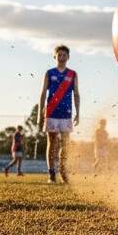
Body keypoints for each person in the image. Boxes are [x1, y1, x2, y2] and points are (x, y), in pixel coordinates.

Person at [37, 45, 80, 184]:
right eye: (59, 55)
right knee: (52, 142)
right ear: (55, 56)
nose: (61, 57)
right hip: (51, 112)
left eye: (64, 55)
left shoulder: (72, 74)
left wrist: (78, 112)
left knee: (66, 144)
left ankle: (62, 170)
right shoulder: (49, 73)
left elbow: (76, 93)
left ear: (68, 57)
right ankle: (51, 174)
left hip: (66, 114)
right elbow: (43, 93)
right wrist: (40, 113)